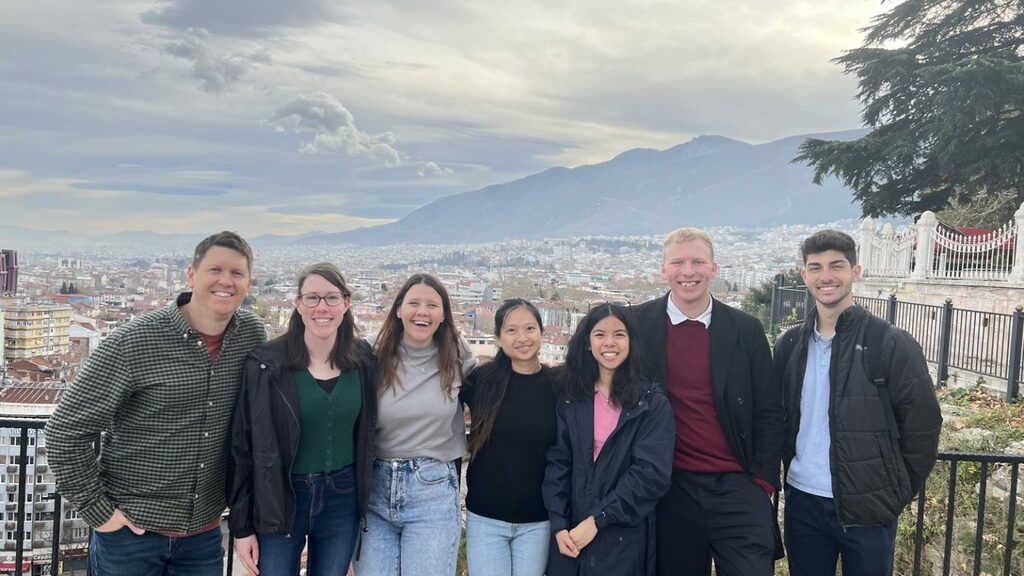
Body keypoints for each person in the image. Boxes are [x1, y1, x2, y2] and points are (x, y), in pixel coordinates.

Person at [44, 231, 266, 575]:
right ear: (191, 275)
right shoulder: (134, 341)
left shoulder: (251, 335)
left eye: (237, 273)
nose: (226, 281)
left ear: (249, 284)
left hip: (204, 534)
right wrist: (98, 511)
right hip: (131, 535)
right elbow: (64, 431)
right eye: (215, 270)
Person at [773, 229, 942, 576]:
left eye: (836, 265)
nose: (826, 276)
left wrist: (895, 492)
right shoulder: (790, 344)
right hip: (803, 501)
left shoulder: (890, 343)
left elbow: (923, 427)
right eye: (816, 267)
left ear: (856, 271)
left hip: (870, 506)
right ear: (805, 275)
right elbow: (777, 416)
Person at [631, 227, 784, 576]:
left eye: (698, 262)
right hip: (671, 486)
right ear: (663, 270)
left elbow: (769, 409)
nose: (688, 271)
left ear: (714, 268)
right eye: (678, 263)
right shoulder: (637, 325)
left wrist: (762, 481)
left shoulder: (745, 329)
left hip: (738, 483)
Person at [228, 262, 378, 575]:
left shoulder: (363, 359)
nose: (322, 307)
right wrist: (241, 528)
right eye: (312, 298)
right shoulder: (266, 364)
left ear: (346, 303)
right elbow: (243, 446)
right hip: (281, 495)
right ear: (298, 304)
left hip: (343, 495)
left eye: (331, 298)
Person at [352, 273, 478, 576]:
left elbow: (490, 394)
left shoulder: (456, 354)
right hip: (374, 489)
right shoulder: (370, 353)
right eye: (414, 303)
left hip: (432, 489)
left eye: (432, 305)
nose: (423, 311)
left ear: (444, 315)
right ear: (398, 309)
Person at [543, 303, 674, 576]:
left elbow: (650, 475)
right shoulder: (571, 396)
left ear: (632, 342)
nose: (609, 343)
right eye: (600, 334)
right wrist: (559, 524)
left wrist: (598, 519)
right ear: (588, 343)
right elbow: (558, 462)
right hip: (570, 538)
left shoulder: (651, 404)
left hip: (622, 539)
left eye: (619, 334)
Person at [460, 298, 557, 576]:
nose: (522, 338)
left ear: (541, 332)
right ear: (498, 338)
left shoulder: (558, 385)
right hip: (486, 517)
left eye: (530, 328)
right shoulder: (482, 381)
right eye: (512, 330)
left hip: (538, 519)